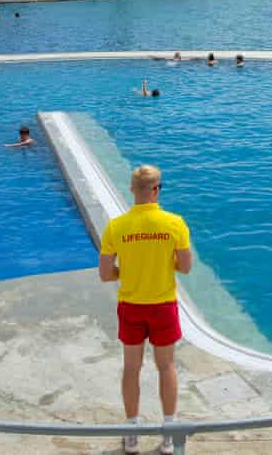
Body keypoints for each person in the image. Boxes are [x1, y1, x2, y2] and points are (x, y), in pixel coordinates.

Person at [99, 165, 192, 455]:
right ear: (156, 190)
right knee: (166, 367)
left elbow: (105, 273)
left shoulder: (117, 226)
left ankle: (131, 433)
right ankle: (168, 433)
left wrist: (125, 272)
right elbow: (186, 267)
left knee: (131, 368)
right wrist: (165, 264)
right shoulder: (174, 223)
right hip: (163, 306)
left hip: (131, 306)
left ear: (131, 190)